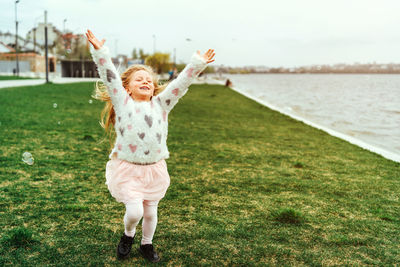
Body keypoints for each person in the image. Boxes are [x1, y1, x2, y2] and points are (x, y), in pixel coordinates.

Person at [85, 30, 215, 262]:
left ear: (154, 88)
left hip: (154, 169)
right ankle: (128, 235)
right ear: (127, 88)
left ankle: (147, 243)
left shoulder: (161, 105)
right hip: (128, 169)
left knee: (150, 211)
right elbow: (110, 77)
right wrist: (100, 52)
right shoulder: (123, 103)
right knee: (134, 212)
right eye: (139, 79)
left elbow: (180, 84)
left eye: (149, 80)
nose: (145, 81)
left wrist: (197, 64)